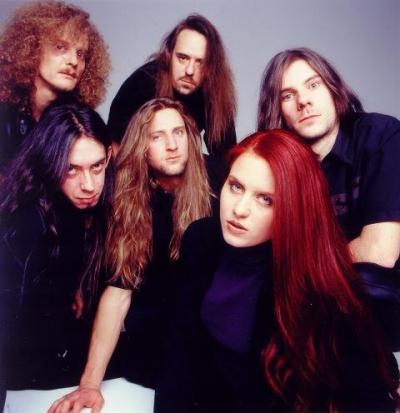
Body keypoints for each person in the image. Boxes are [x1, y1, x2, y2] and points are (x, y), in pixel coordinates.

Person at [155, 130, 399, 412]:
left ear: (293, 208)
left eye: (265, 199)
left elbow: (369, 397)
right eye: (236, 186)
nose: (239, 209)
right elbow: (178, 353)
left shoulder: (316, 286)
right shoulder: (201, 240)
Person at [48, 98, 212, 413]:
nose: (172, 145)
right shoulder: (132, 198)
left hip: (208, 343)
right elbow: (118, 292)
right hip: (154, 349)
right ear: (142, 147)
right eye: (157, 136)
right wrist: (90, 384)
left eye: (178, 132)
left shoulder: (218, 179)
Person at [257, 47, 400, 349]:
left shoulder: (380, 135)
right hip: (318, 313)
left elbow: (380, 251)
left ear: (333, 88)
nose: (304, 101)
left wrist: (303, 274)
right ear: (277, 109)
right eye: (288, 95)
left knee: (364, 279)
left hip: (382, 298)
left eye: (313, 85)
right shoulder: (277, 166)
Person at [0, 102, 114, 408]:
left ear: (109, 156)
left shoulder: (77, 202)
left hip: (56, 354)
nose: (89, 185)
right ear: (49, 164)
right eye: (71, 169)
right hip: (21, 374)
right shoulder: (27, 221)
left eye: (97, 166)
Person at [0, 0, 111, 171]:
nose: (73, 61)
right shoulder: (5, 114)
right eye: (61, 47)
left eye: (80, 54)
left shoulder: (77, 120)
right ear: (32, 49)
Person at [107, 14, 236, 157]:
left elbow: (227, 158)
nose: (189, 71)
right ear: (169, 55)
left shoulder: (214, 91)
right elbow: (115, 149)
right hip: (138, 165)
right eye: (182, 58)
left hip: (180, 166)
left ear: (212, 67)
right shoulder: (142, 82)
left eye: (200, 62)